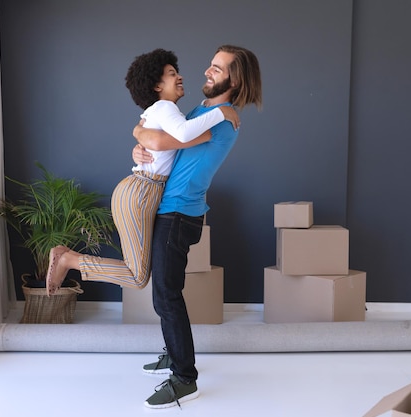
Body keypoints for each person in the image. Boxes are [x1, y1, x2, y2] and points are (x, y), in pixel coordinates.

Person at [45, 48, 239, 296]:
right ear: (157, 85)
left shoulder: (169, 112)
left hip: (142, 190)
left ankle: (69, 259)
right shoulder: (165, 109)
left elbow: (162, 141)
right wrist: (222, 112)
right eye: (171, 74)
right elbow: (182, 135)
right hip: (142, 191)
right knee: (137, 277)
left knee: (139, 274)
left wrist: (139, 137)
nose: (179, 76)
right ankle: (68, 260)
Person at [132, 44, 262, 409]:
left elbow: (157, 134)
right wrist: (138, 147)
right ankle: (174, 356)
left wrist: (144, 137)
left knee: (167, 295)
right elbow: (153, 133)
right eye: (211, 64)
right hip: (170, 209)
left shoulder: (224, 117)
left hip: (178, 213)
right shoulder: (201, 110)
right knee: (164, 293)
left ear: (235, 80)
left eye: (217, 69)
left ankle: (185, 378)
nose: (207, 71)